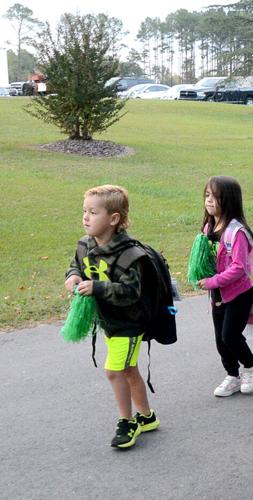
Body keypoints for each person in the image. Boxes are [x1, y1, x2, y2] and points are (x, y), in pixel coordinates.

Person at [65, 185, 160, 448]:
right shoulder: (85, 244)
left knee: (114, 371)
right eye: (84, 211)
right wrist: (73, 276)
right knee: (129, 370)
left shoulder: (130, 255)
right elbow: (76, 265)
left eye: (93, 212)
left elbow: (132, 292)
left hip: (128, 324)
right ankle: (147, 417)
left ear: (114, 219)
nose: (85, 217)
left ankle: (127, 422)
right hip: (108, 322)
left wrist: (97, 287)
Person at [198, 176, 253, 397]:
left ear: (229, 200)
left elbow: (238, 268)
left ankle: (252, 365)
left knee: (230, 336)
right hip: (218, 293)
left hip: (238, 292)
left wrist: (212, 281)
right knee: (220, 339)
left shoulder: (237, 232)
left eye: (215, 196)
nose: (209, 200)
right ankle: (232, 376)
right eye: (207, 195)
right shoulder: (208, 226)